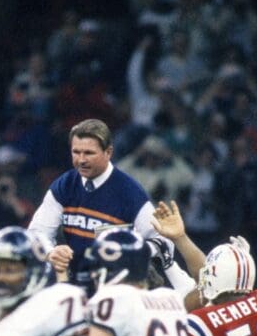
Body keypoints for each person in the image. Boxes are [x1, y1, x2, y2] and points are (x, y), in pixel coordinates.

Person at [28, 119, 166, 279]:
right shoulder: (65, 185)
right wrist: (51, 252)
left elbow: (161, 242)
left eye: (89, 153)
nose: (81, 160)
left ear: (108, 152)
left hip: (116, 282)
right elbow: (37, 232)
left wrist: (129, 253)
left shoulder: (130, 192)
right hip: (73, 280)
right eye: (76, 152)